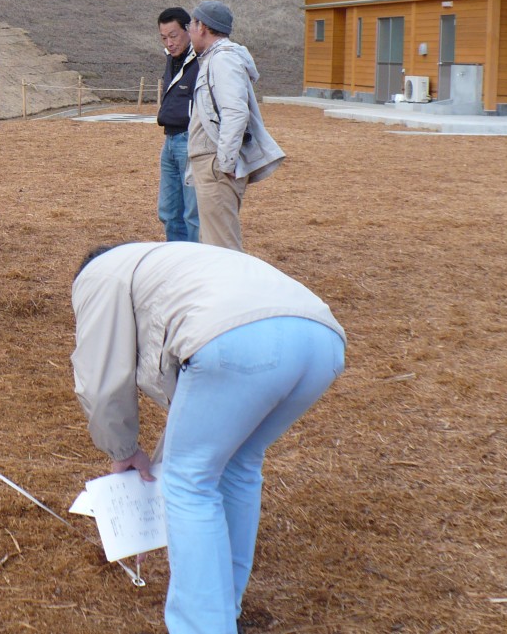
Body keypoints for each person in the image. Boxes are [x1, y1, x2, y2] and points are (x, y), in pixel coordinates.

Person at [70, 242, 346, 634]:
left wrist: (123, 450)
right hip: (322, 341)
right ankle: (224, 607)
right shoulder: (174, 263)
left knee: (189, 483)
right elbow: (196, 413)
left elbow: (100, 377)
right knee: (238, 466)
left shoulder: (98, 275)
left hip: (238, 341)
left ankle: (202, 626)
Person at [186, 1, 284, 251]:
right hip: (211, 163)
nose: (189, 31)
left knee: (222, 249)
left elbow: (235, 111)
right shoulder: (215, 59)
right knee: (214, 244)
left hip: (215, 165)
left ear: (203, 27)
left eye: (191, 25)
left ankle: (231, 290)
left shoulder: (223, 60)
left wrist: (225, 162)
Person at [155, 7, 200, 242]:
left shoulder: (202, 59)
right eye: (164, 38)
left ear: (188, 29)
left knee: (193, 213)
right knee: (169, 212)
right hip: (170, 140)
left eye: (173, 36)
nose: (169, 43)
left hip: (190, 139)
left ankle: (195, 267)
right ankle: (176, 260)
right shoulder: (170, 58)